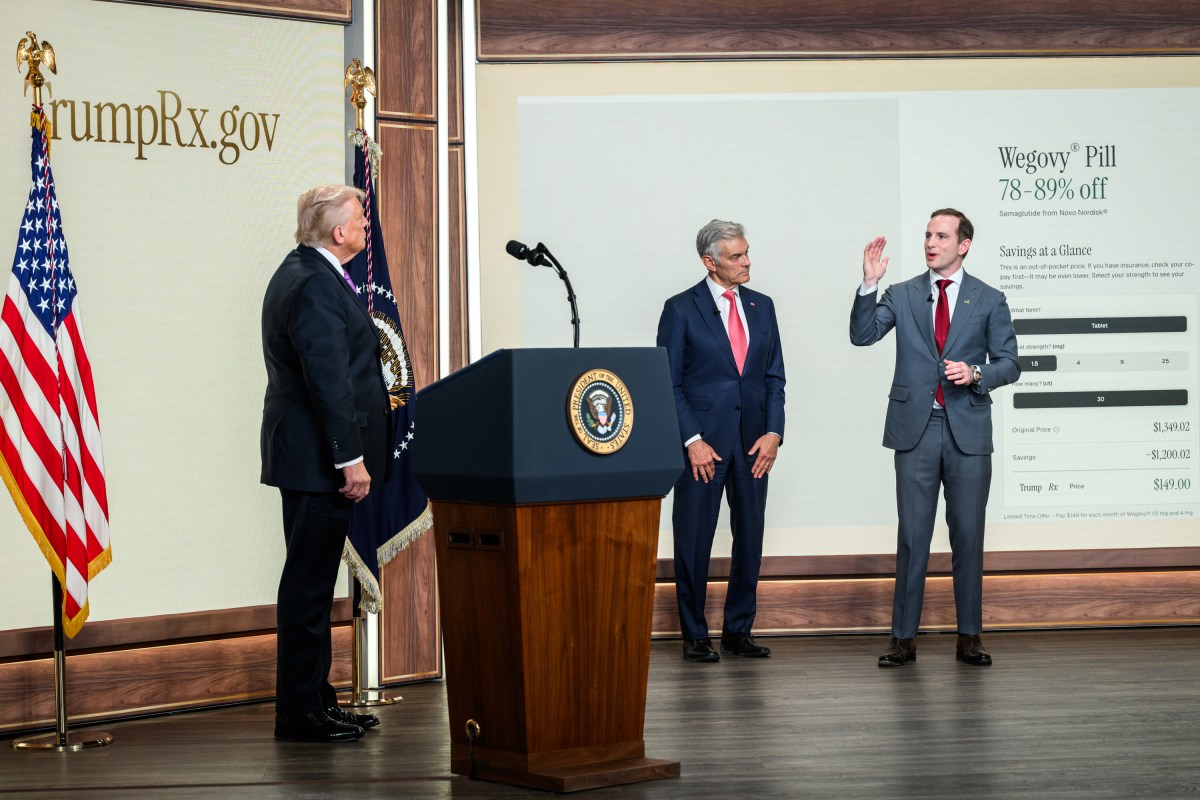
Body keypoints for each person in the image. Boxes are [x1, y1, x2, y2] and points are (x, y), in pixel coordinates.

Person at [850, 208, 1020, 667]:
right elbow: (862, 335)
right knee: (913, 536)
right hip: (916, 430)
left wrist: (976, 371)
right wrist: (868, 284)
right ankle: (903, 639)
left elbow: (1010, 362)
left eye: (941, 236)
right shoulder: (902, 295)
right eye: (928, 235)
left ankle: (969, 636)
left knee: (967, 534)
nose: (931, 243)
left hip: (966, 429)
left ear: (963, 245)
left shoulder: (989, 299)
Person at [261, 185, 391, 741]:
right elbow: (328, 381)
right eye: (361, 219)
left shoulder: (305, 272)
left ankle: (317, 699)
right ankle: (300, 710)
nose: (367, 226)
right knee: (309, 586)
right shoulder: (313, 283)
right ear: (339, 233)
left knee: (311, 582)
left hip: (312, 459)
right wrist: (351, 461)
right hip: (320, 461)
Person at [657, 219, 786, 663]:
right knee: (694, 539)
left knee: (750, 537)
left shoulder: (762, 306)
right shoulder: (680, 309)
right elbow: (667, 383)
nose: (747, 262)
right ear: (710, 262)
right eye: (736, 256)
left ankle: (738, 630)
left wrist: (774, 433)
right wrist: (690, 439)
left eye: (747, 252)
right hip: (703, 448)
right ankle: (694, 634)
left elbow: (774, 378)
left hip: (754, 444)